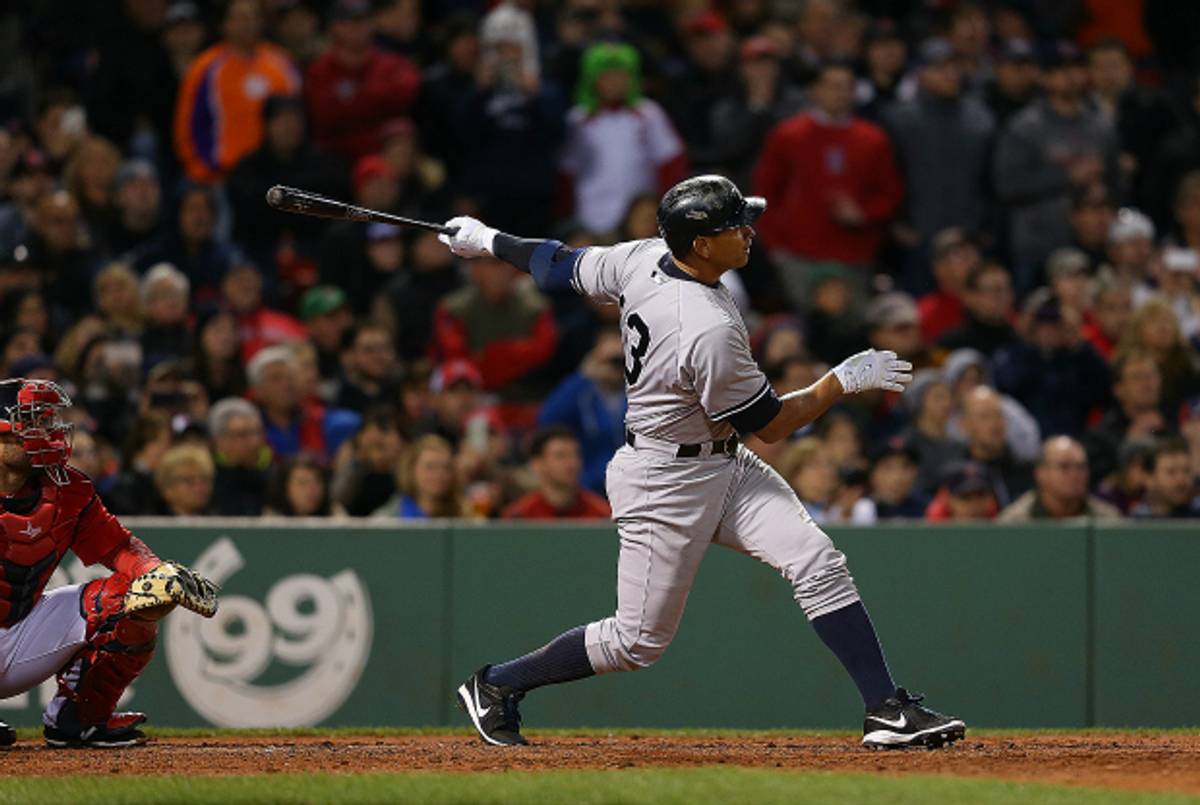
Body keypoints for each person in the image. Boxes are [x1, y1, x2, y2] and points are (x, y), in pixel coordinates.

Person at [438, 174, 963, 749]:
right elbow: (770, 426)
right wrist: (837, 383)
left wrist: (488, 239)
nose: (748, 232)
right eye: (734, 226)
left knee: (817, 561)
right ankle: (497, 685)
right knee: (635, 644)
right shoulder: (704, 328)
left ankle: (884, 708)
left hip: (723, 463)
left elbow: (555, 264)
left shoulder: (643, 256)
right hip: (664, 480)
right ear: (701, 244)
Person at [0, 378, 217, 747]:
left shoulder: (68, 489)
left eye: (47, 421)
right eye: (31, 421)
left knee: (131, 597)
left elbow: (118, 548)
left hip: (17, 635)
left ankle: (78, 720)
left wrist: (154, 571)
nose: (47, 432)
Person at [754, 60, 904, 310]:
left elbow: (890, 193)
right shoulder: (788, 135)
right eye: (832, 86)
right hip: (799, 254)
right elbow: (766, 190)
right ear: (815, 90)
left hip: (855, 254)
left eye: (846, 87)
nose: (840, 93)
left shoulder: (873, 139)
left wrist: (864, 214)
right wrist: (776, 247)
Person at [173, 0, 300, 182]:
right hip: (224, 174)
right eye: (240, 18)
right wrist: (201, 171)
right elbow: (187, 127)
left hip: (279, 174)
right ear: (225, 24)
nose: (247, 24)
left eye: (252, 17)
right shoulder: (205, 69)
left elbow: (299, 116)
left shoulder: (283, 64)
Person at [304, 0, 420, 161]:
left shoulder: (393, 64)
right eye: (350, 22)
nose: (358, 28)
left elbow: (406, 97)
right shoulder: (319, 71)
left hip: (385, 157)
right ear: (334, 27)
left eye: (363, 21)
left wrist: (352, 100)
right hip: (334, 158)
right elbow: (325, 117)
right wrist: (375, 98)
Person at [536, 328, 627, 496]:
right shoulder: (580, 392)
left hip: (629, 485)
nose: (617, 368)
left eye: (622, 360)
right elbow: (546, 419)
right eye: (612, 361)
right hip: (587, 484)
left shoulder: (638, 393)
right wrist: (583, 376)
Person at [998, 436, 1121, 521]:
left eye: (1081, 467)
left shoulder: (1108, 521)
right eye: (1064, 467)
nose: (1075, 475)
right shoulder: (1015, 522)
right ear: (1040, 473)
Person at [502, 426, 610, 520]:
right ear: (537, 464)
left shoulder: (602, 516)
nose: (572, 464)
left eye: (576, 455)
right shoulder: (519, 517)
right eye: (560, 456)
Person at [371, 434, 466, 519]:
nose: (440, 474)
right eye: (430, 467)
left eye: (446, 467)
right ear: (411, 470)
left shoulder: (464, 516)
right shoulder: (387, 519)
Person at [207, 397, 269, 517]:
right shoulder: (207, 481)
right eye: (241, 434)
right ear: (219, 440)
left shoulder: (275, 479)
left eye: (255, 433)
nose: (252, 441)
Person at [1130, 437, 1200, 517]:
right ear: (1149, 479)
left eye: (1186, 471)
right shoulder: (1135, 521)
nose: (1181, 479)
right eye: (1171, 472)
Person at [264, 456, 333, 517]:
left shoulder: (336, 518)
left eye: (317, 482)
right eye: (302, 483)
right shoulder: (269, 522)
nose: (312, 489)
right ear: (285, 488)